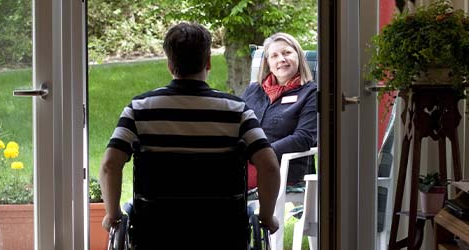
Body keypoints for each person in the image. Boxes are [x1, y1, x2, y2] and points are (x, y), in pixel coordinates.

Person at [99, 22, 282, 234]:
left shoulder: (139, 109)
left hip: (156, 233)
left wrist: (113, 215)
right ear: (208, 63)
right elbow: (269, 166)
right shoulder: (237, 111)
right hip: (222, 233)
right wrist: (267, 217)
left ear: (169, 64)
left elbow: (109, 165)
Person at [241, 32, 318, 189]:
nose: (281, 59)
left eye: (287, 53)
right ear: (268, 62)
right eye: (274, 56)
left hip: (282, 172)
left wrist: (260, 153)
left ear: (299, 56)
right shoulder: (254, 90)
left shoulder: (311, 93)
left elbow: (304, 138)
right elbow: (235, 125)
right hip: (244, 164)